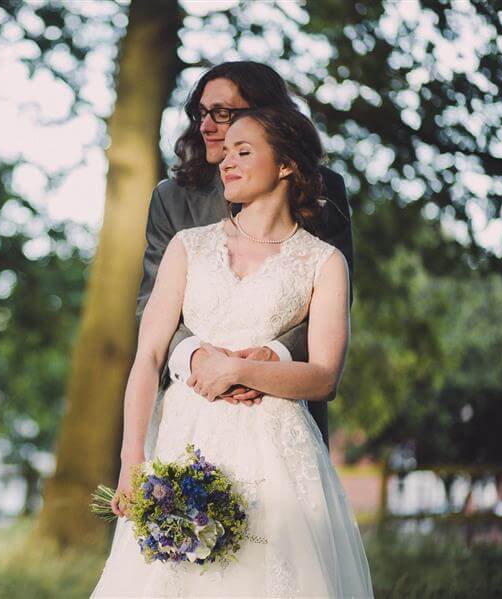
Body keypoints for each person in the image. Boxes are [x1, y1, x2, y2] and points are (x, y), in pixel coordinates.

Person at [89, 105, 373, 597]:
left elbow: (325, 376)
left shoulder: (323, 262)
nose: (226, 162)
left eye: (244, 151)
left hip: (277, 455)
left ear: (286, 164)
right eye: (227, 152)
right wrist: (131, 460)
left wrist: (238, 368)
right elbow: (148, 359)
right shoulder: (188, 246)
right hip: (182, 442)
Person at [137, 62, 354, 459]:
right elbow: (149, 307)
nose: (206, 125)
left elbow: (331, 301)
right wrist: (197, 357)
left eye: (222, 112)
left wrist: (272, 358)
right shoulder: (172, 198)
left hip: (282, 417)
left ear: (266, 115)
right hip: (195, 407)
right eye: (201, 113)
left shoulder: (326, 190)